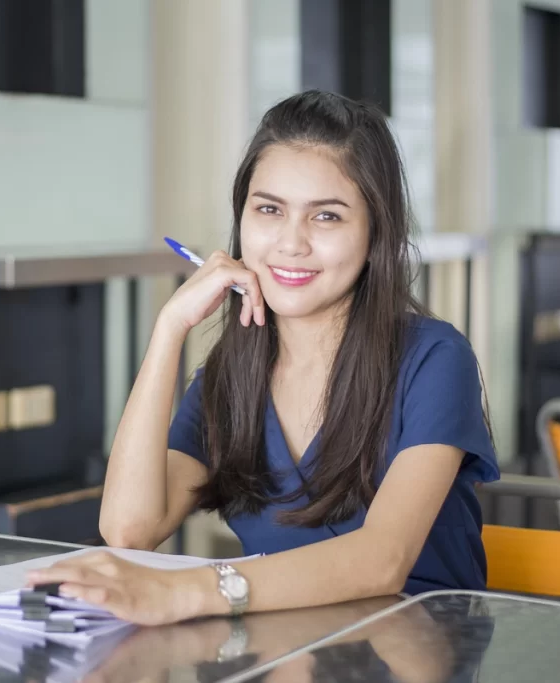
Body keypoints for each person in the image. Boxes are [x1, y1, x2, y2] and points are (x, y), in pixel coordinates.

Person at [26, 90, 498, 626]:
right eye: (269, 209)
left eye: (326, 216)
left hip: (419, 652)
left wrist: (186, 591)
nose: (290, 243)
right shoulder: (230, 380)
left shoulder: (435, 359)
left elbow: (381, 562)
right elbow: (130, 529)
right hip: (281, 653)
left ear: (374, 235)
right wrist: (169, 331)